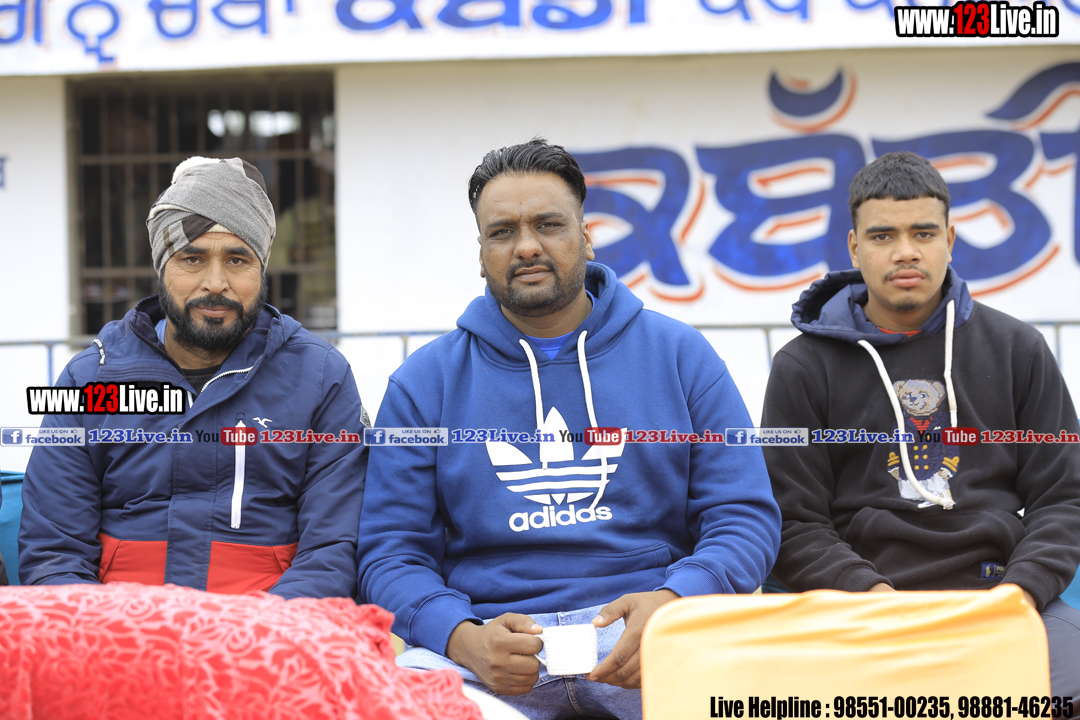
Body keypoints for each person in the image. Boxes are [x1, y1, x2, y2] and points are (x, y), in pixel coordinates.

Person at [357, 138, 780, 719]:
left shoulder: (681, 356)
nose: (526, 246)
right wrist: (460, 636)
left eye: (548, 224)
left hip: (655, 635)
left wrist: (677, 599)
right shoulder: (423, 383)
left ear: (586, 235)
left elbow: (744, 516)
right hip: (490, 648)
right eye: (502, 232)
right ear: (481, 253)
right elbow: (390, 551)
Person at [762, 151, 1080, 693]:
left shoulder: (1017, 349)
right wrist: (870, 597)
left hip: (998, 595)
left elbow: (1064, 497)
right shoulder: (802, 366)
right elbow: (792, 519)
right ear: (855, 247)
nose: (905, 251)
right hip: (858, 604)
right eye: (883, 235)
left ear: (950, 240)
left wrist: (1021, 592)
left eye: (924, 233)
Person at [19, 157, 367, 599]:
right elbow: (54, 552)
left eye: (237, 259)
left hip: (270, 631)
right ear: (161, 267)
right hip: (118, 631)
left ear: (261, 269)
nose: (215, 283)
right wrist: (108, 632)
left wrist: (265, 631)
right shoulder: (90, 380)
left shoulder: (319, 377)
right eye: (192, 258)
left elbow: (332, 551)